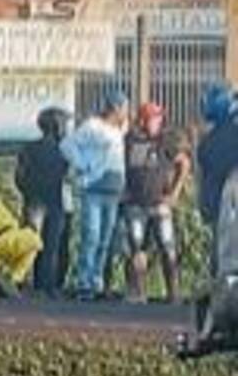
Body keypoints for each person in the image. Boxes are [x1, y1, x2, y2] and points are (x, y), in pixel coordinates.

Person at [61, 91, 129, 301]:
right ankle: (84, 281)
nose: (126, 112)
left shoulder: (120, 129)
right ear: (115, 108)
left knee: (105, 239)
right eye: (124, 107)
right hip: (93, 188)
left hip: (113, 190)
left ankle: (97, 279)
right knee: (91, 235)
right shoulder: (92, 126)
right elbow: (67, 145)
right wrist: (83, 164)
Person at [124, 102, 190, 303]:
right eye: (153, 117)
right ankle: (137, 293)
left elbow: (184, 163)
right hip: (135, 204)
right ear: (143, 120)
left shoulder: (166, 141)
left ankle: (173, 293)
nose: (157, 121)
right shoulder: (129, 140)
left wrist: (175, 193)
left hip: (159, 205)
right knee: (136, 248)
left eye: (159, 118)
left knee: (167, 247)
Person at [15, 107, 70, 298]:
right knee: (51, 247)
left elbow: (19, 177)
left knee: (30, 245)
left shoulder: (28, 148)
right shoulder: (63, 150)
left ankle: (23, 282)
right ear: (57, 126)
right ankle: (47, 287)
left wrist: (28, 193)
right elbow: (68, 176)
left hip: (33, 201)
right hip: (54, 202)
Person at [197, 82, 238, 276]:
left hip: (221, 202)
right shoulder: (216, 137)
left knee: (222, 252)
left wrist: (204, 202)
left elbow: (205, 175)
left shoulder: (210, 139)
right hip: (223, 202)